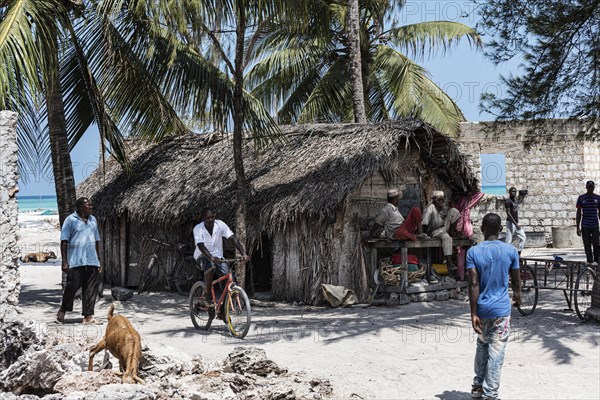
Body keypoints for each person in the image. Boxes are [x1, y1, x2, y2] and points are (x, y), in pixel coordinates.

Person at [467, 213, 521, 400]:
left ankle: (477, 388)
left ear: (481, 229)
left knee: (482, 346)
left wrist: (473, 313)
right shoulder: (511, 251)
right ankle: (490, 395)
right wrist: (519, 297)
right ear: (501, 230)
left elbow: (474, 283)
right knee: (496, 353)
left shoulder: (473, 252)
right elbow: (515, 280)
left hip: (481, 310)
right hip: (501, 311)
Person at [56, 197, 102, 324]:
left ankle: (88, 316)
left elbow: (97, 240)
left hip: (91, 261)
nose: (91, 207)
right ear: (81, 207)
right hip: (76, 261)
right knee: (71, 287)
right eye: (89, 205)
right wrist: (64, 261)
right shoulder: (70, 220)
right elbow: (64, 241)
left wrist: (98, 259)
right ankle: (62, 310)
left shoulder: (93, 220)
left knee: (91, 289)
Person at [193, 207, 250, 309]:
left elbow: (233, 238)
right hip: (201, 256)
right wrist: (211, 257)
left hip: (218, 257)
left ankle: (223, 308)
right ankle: (208, 297)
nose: (210, 220)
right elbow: (201, 245)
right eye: (207, 218)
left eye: (212, 217)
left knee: (228, 276)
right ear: (203, 219)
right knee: (209, 266)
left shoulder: (220, 225)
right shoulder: (198, 228)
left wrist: (243, 253)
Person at [421, 190, 461, 271]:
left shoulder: (443, 208)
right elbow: (424, 223)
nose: (441, 202)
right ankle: (449, 261)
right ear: (434, 200)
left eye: (442, 200)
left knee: (454, 211)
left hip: (443, 229)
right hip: (434, 231)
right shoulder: (430, 207)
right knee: (446, 237)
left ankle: (451, 233)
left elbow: (450, 217)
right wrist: (423, 235)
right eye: (439, 200)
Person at [576, 180, 600, 264]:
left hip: (595, 225)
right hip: (585, 225)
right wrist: (577, 227)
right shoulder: (581, 198)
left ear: (594, 187)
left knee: (596, 243)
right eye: (589, 186)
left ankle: (596, 261)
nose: (590, 188)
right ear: (586, 187)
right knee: (587, 244)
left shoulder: (598, 198)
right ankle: (590, 261)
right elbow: (578, 212)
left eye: (592, 186)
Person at [504, 187, 526, 255]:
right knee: (508, 240)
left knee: (523, 237)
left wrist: (517, 223)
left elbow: (515, 212)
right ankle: (505, 255)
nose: (514, 193)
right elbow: (508, 214)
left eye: (515, 192)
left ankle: (519, 253)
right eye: (512, 191)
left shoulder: (516, 201)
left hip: (516, 223)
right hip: (510, 223)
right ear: (509, 192)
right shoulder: (508, 201)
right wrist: (515, 224)